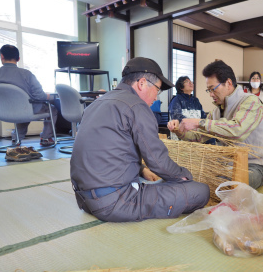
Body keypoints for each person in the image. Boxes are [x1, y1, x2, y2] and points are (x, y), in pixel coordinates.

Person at [70, 57, 209, 222]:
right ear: (142, 83)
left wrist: (141, 169)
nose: (157, 97)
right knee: (200, 191)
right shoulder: (137, 106)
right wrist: (185, 177)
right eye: (157, 89)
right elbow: (158, 161)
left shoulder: (97, 103)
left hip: (84, 200)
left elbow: (108, 149)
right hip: (115, 202)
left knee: (162, 184)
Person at [168, 60, 263, 190]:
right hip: (227, 164)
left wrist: (200, 122)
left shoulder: (251, 101)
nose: (211, 94)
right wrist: (178, 131)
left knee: (226, 185)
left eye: (212, 89)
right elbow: (199, 137)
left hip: (255, 165)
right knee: (191, 176)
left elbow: (237, 130)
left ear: (228, 83)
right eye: (208, 90)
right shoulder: (217, 111)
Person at [0, 44, 57, 146]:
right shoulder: (27, 74)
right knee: (51, 109)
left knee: (24, 109)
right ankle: (46, 138)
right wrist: (49, 96)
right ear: (18, 58)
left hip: (2, 111)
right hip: (25, 109)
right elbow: (39, 96)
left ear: (2, 56)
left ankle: (16, 138)